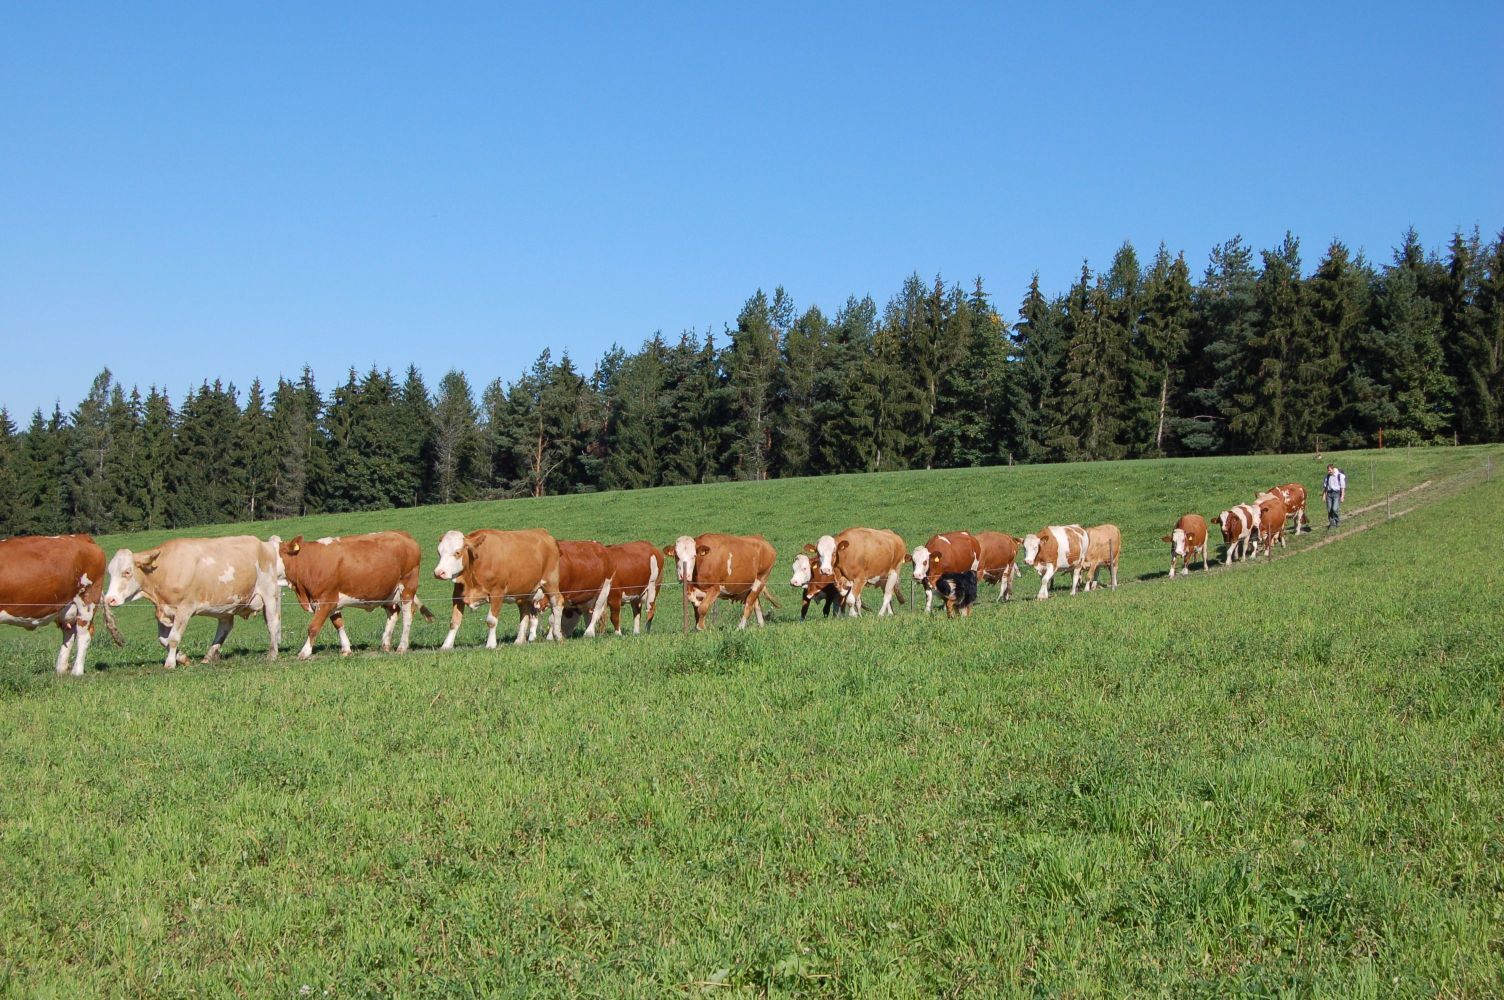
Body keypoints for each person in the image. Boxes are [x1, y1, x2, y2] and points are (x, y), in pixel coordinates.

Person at [1323, 463, 1347, 528]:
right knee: (1329, 509)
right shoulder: (1327, 476)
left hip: (1336, 494)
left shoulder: (1339, 476)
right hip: (1329, 494)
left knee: (1335, 509)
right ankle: (1332, 524)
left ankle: (1337, 521)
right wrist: (1324, 495)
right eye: (1328, 470)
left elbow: (1343, 487)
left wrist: (1342, 496)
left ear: (1333, 469)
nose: (1328, 471)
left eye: (1329, 470)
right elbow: (1325, 487)